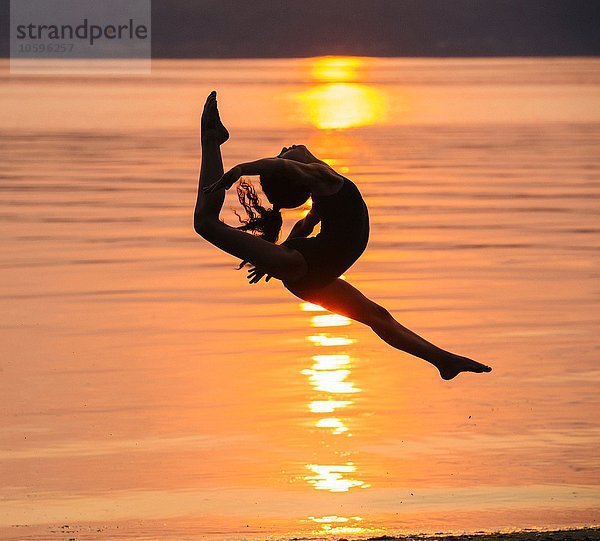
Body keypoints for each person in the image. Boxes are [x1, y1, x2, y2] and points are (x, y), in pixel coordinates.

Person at [194, 91, 492, 380]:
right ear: (295, 171)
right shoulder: (324, 178)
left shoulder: (324, 190)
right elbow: (285, 171)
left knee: (379, 317)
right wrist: (244, 170)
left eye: (282, 151)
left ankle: (443, 360)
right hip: (306, 268)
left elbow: (305, 226)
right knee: (205, 224)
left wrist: (276, 254)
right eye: (283, 152)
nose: (288, 146)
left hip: (309, 271)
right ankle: (212, 142)